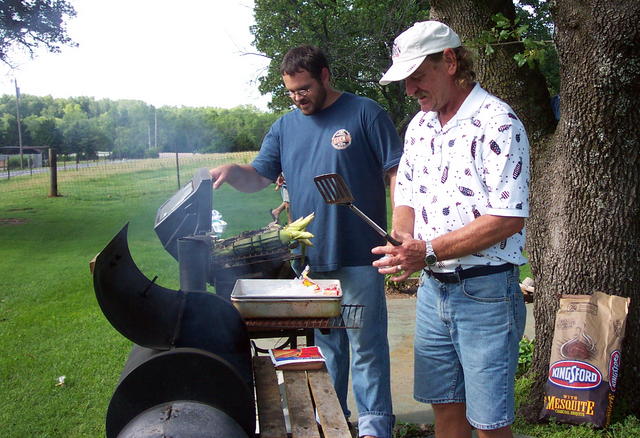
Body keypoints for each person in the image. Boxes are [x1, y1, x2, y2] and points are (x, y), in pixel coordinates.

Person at [209, 44, 402, 438]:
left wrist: (400, 225)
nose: (299, 98)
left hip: (360, 255)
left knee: (365, 345)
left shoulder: (365, 112)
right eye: (292, 92)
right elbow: (260, 176)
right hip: (312, 262)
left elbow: (397, 171)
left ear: (325, 76)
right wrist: (232, 170)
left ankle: (374, 426)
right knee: (329, 347)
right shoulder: (284, 127)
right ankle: (332, 417)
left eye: (305, 89)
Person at [371, 21, 530, 438]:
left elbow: (508, 215)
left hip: (486, 293)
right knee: (445, 409)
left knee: (490, 424)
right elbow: (405, 192)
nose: (410, 91)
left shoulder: (497, 122)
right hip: (433, 291)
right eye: (405, 81)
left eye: (417, 78)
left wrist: (426, 250)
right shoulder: (420, 125)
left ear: (450, 61)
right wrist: (403, 237)